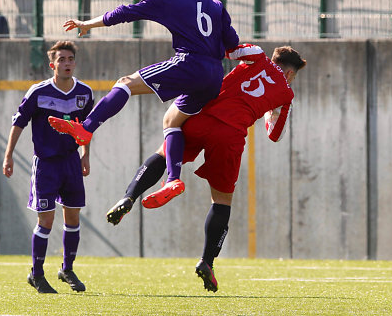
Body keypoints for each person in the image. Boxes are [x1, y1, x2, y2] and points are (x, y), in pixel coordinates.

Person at [106, 43, 306, 292]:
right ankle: (207, 261)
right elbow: (274, 135)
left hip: (203, 115)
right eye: (294, 76)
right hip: (230, 135)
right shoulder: (286, 95)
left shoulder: (257, 56)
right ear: (290, 73)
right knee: (221, 200)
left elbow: (222, 51)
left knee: (165, 150)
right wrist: (267, 112)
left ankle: (129, 196)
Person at [48, 0, 239, 208]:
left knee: (125, 83)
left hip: (190, 63)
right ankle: (172, 178)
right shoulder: (214, 4)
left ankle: (87, 128)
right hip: (215, 75)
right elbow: (233, 43)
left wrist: (87, 24)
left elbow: (125, 12)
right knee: (172, 120)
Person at [2, 41, 94, 294]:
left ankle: (67, 269)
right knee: (46, 219)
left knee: (73, 218)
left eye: (70, 59)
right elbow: (19, 123)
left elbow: (86, 129)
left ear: (75, 62)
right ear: (52, 64)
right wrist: (8, 155)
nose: (66, 63)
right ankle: (37, 274)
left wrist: (85, 155)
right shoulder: (38, 92)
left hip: (71, 162)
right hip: (46, 165)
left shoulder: (84, 93)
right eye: (61, 59)